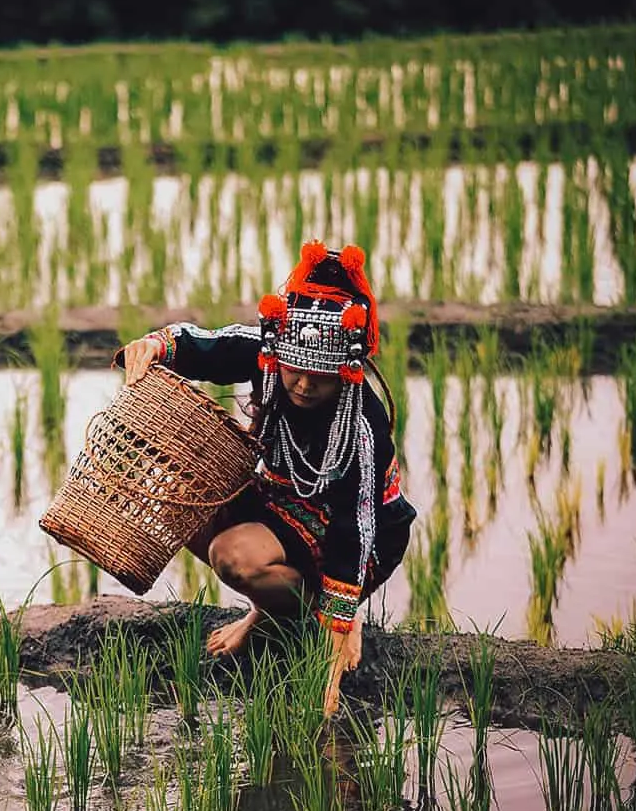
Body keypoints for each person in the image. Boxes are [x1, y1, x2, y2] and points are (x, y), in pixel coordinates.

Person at [120, 240, 417, 717]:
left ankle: (308, 615)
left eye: (321, 376)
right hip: (281, 502)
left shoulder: (360, 423)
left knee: (232, 556)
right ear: (281, 353)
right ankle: (271, 610)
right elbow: (209, 346)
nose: (302, 384)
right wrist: (157, 345)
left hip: (359, 536)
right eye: (296, 369)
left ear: (347, 372)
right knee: (184, 498)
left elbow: (354, 525)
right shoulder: (268, 354)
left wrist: (341, 622)